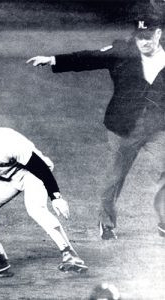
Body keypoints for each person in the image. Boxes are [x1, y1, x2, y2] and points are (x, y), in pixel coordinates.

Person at [26, 11, 165, 240]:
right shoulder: (122, 51)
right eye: (140, 37)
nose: (145, 42)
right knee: (114, 178)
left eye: (149, 36)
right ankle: (106, 224)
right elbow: (90, 57)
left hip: (157, 128)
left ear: (158, 33)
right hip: (123, 128)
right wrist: (54, 60)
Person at [0, 122, 88, 276]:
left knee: (35, 208)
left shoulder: (5, 142)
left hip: (33, 172)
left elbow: (39, 167)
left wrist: (55, 196)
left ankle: (69, 254)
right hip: (8, 177)